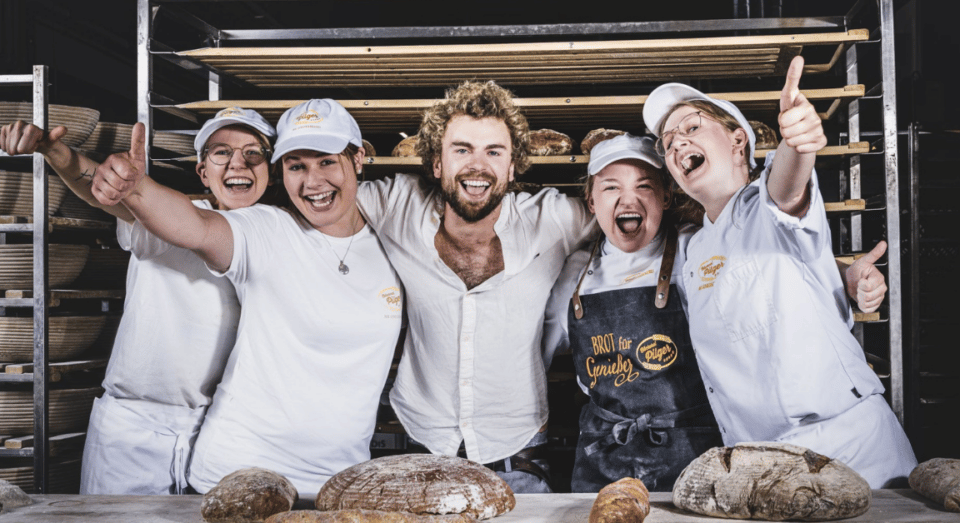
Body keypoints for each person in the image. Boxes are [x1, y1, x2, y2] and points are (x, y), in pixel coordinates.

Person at [89, 99, 403, 499]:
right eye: (296, 166)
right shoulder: (266, 228)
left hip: (336, 481)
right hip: (238, 472)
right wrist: (137, 191)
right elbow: (196, 226)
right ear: (280, 174)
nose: (313, 182)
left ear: (358, 159)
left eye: (326, 161)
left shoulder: (394, 237)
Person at [542, 134, 890, 492]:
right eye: (610, 187)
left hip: (692, 450)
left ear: (665, 195)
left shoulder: (698, 245)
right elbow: (538, 354)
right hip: (604, 456)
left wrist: (845, 275)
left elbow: (770, 267)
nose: (628, 199)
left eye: (644, 186)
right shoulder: (576, 272)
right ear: (591, 200)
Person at [640, 56, 917, 488]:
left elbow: (787, 191)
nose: (676, 144)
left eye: (691, 128)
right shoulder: (694, 249)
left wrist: (798, 142)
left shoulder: (764, 205)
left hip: (846, 446)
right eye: (666, 141)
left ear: (737, 142)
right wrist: (839, 274)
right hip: (762, 465)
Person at [1, 107, 276, 495]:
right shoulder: (173, 215)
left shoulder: (281, 236)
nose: (238, 164)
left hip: (222, 431)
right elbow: (107, 194)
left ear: (271, 168)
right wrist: (53, 151)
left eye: (253, 153)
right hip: (134, 431)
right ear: (202, 171)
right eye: (221, 153)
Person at [354, 80, 598, 493]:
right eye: (462, 149)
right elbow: (323, 195)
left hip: (520, 453)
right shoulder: (395, 206)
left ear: (513, 166)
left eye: (494, 151)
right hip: (423, 446)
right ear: (436, 163)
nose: (477, 165)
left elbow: (629, 213)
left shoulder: (554, 219)